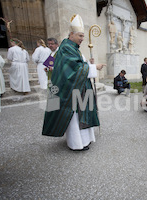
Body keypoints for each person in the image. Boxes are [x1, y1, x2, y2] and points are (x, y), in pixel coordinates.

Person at [42, 14, 105, 151]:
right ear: (71, 34)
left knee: (81, 113)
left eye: (83, 36)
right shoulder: (65, 48)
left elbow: (77, 64)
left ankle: (84, 140)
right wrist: (94, 67)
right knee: (75, 115)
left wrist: (89, 63)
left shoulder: (71, 47)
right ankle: (77, 143)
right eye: (80, 36)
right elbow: (72, 68)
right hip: (71, 88)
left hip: (79, 86)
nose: (82, 39)